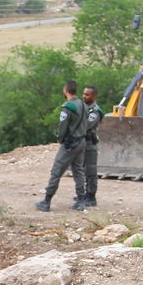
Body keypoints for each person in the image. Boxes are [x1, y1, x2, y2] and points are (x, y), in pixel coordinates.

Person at [35, 81, 87, 212]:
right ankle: (81, 200)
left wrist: (61, 139)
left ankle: (46, 201)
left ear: (66, 90)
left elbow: (63, 127)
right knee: (79, 171)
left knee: (56, 171)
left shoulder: (68, 107)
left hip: (70, 144)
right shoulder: (83, 104)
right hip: (81, 141)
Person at [79, 86, 103, 208]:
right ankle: (84, 193)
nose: (84, 96)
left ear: (94, 96)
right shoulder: (83, 108)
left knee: (91, 170)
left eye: (87, 94)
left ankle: (91, 196)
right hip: (82, 142)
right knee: (83, 169)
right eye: (84, 94)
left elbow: (86, 126)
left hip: (89, 143)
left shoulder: (95, 111)